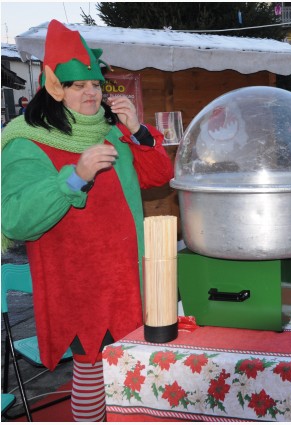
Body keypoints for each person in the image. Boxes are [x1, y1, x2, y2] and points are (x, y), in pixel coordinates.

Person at [1, 20, 174, 422]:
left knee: (131, 373)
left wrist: (139, 133)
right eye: (79, 86)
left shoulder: (111, 132)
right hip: (78, 285)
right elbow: (17, 219)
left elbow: (158, 177)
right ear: (55, 88)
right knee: (92, 371)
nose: (92, 93)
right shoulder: (26, 141)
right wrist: (75, 177)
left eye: (95, 85)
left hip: (131, 276)